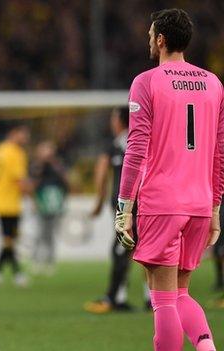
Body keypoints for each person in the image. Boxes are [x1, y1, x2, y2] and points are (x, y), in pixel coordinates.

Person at [114, 9, 223, 351]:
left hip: (162, 202)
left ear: (160, 39)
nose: (149, 40)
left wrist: (124, 207)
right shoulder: (214, 84)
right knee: (180, 293)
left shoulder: (147, 82)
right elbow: (219, 153)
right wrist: (216, 208)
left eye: (151, 35)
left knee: (162, 298)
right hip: (199, 204)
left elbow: (136, 149)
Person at [85, 108, 151, 313]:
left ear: (121, 120)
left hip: (130, 207)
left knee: (122, 250)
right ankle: (147, 298)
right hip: (145, 205)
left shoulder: (120, 143)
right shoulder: (145, 140)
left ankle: (113, 298)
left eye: (113, 117)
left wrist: (99, 200)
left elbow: (102, 171)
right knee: (144, 251)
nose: (111, 121)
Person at [0, 125, 30, 286]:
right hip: (11, 203)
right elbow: (19, 180)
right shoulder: (16, 153)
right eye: (23, 135)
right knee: (9, 240)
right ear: (14, 133)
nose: (26, 139)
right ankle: (9, 272)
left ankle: (1, 272)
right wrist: (32, 196)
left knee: (9, 240)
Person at [30, 141, 68, 274]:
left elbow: (65, 181)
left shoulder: (57, 165)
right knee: (40, 233)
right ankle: (36, 260)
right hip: (41, 201)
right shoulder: (36, 166)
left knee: (50, 234)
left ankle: (50, 261)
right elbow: (33, 184)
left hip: (54, 202)